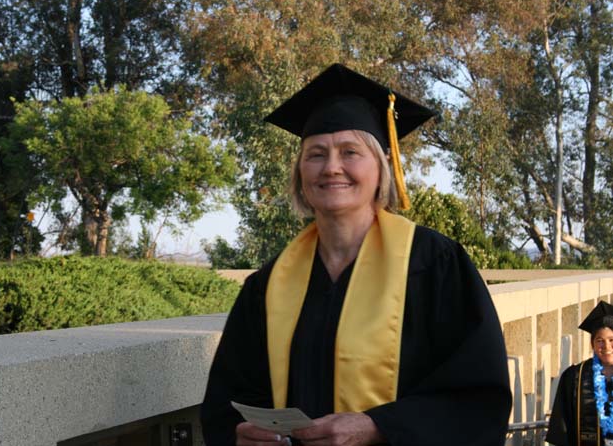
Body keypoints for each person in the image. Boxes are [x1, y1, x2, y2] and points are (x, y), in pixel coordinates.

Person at [200, 63, 512, 446]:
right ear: (300, 173)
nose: (332, 168)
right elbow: (228, 401)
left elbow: (479, 398)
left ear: (382, 168)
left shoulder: (434, 265)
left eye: (350, 152)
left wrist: (380, 426)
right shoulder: (268, 285)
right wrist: (242, 436)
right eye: (316, 154)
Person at [547, 301, 613, 445]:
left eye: (611, 340)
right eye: (600, 340)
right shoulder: (575, 376)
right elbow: (562, 426)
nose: (606, 346)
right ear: (592, 344)